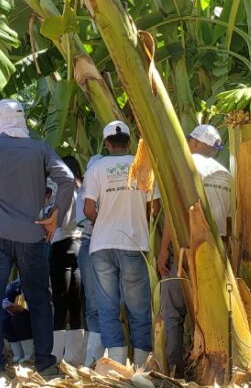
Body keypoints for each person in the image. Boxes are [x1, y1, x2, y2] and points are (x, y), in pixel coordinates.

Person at [0, 99, 75, 375]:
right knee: (39, 300)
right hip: (32, 235)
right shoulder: (40, 148)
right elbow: (69, 178)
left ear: (0, 119)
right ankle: (46, 364)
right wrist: (55, 218)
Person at [156, 124, 231, 376]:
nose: (187, 144)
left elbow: (173, 214)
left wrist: (164, 249)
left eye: (190, 140)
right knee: (212, 313)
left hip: (187, 249)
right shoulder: (226, 174)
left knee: (173, 311)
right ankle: (215, 369)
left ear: (197, 143)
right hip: (217, 253)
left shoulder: (187, 168)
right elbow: (230, 224)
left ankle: (175, 369)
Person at [85, 120, 159, 367]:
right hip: (134, 242)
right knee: (138, 308)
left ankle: (116, 365)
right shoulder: (141, 165)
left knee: (107, 308)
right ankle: (141, 367)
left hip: (102, 245)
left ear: (107, 143)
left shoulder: (96, 168)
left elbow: (87, 209)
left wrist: (105, 218)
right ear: (129, 141)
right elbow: (155, 207)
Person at [50, 156, 84, 366]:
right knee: (76, 303)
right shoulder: (82, 188)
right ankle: (76, 356)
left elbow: (58, 219)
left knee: (60, 303)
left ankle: (56, 354)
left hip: (61, 244)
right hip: (80, 245)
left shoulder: (61, 188)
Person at [74, 155, 104, 367]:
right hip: (89, 244)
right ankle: (93, 359)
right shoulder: (84, 192)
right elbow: (83, 216)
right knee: (93, 304)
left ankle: (111, 356)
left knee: (106, 305)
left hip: (107, 246)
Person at [2, 279, 33, 364]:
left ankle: (29, 355)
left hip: (42, 317)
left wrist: (23, 310)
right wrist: (10, 306)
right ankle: (18, 355)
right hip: (27, 313)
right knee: (7, 320)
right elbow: (5, 297)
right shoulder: (19, 283)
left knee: (18, 318)